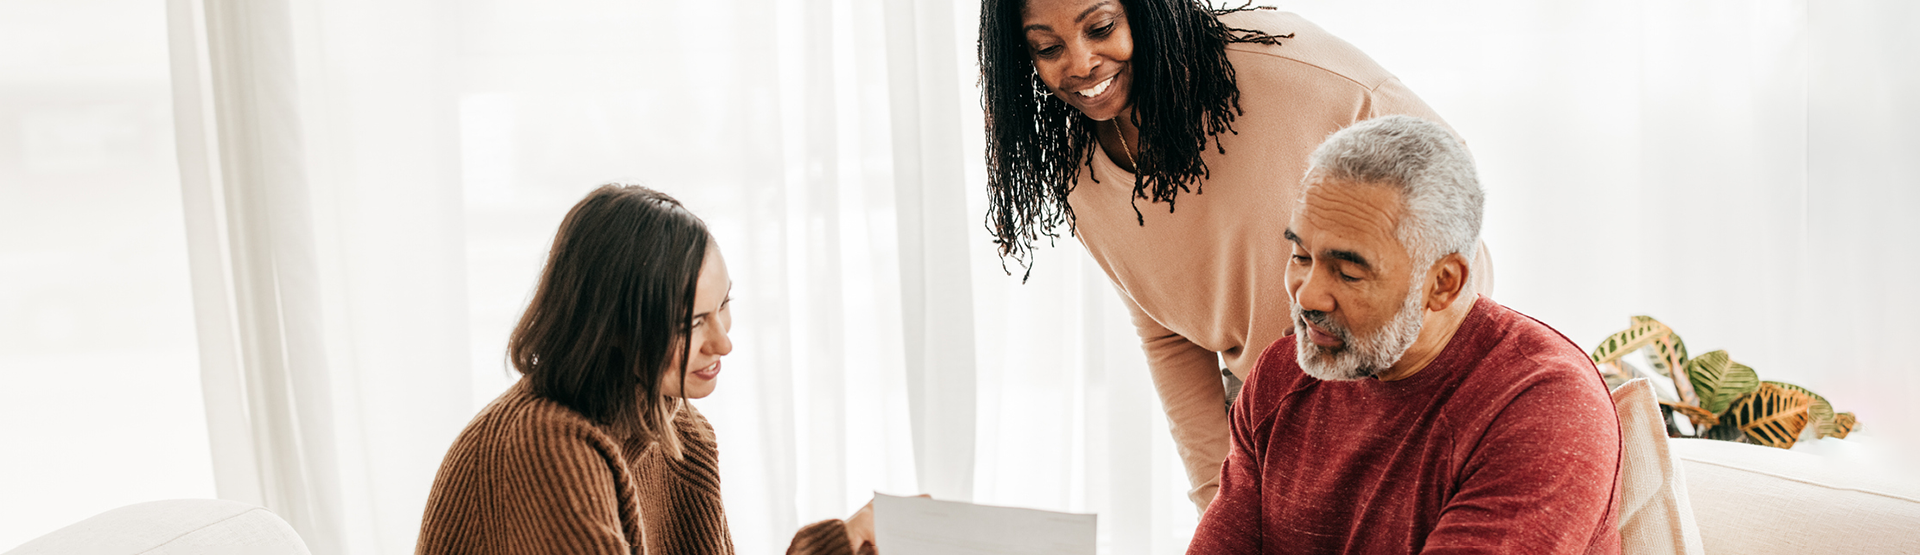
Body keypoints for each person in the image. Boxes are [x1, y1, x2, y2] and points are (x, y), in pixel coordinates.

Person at [978, 0, 1493, 511]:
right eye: (1047, 47)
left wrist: (1412, 374)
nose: (1081, 63)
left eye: (1102, 27)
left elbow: (1450, 177)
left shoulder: (1280, 66)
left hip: (1410, 378)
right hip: (1269, 409)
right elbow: (1168, 337)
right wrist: (1217, 497)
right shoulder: (1077, 170)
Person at [1187, 116, 1619, 554]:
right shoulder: (1281, 376)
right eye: (1300, 255)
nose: (1309, 295)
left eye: (1350, 272)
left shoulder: (1543, 406)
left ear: (1443, 283)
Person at [416, 185, 875, 555]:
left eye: (723, 306)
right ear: (611, 328)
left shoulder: (681, 433)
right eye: (692, 323)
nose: (723, 343)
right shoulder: (544, 447)